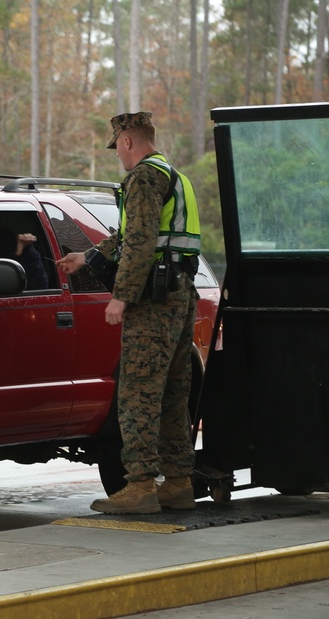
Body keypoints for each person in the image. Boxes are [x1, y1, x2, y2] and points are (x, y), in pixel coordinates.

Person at [57, 111, 201, 514]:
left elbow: (139, 240)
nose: (118, 157)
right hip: (181, 293)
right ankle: (178, 482)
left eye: (117, 148)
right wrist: (86, 257)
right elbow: (135, 234)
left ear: (126, 141)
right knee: (174, 392)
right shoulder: (174, 175)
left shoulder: (141, 178)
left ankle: (139, 486)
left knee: (138, 392)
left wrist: (121, 296)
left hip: (152, 301)